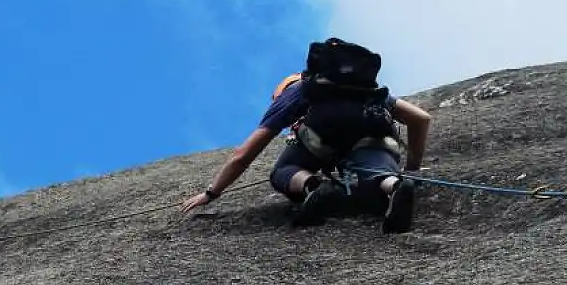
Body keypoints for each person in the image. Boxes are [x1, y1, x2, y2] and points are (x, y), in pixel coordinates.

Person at [182, 39, 432, 233]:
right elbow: (421, 119)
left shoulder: (297, 93)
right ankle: (394, 186)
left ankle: (313, 186)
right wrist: (412, 169)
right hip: (374, 135)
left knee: (284, 170)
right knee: (376, 174)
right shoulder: (365, 91)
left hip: (324, 139)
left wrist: (212, 193)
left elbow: (244, 154)